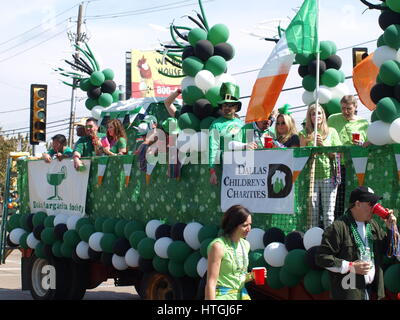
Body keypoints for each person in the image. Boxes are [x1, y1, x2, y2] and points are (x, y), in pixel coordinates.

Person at [316, 186, 397, 300]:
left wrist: (390, 228)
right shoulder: (338, 227)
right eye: (370, 204)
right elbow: (321, 258)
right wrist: (351, 266)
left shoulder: (373, 225)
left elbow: (388, 251)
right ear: (357, 204)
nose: (374, 208)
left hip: (372, 291)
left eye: (375, 204)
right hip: (349, 293)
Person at [205, 205, 265, 300]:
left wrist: (252, 276)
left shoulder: (245, 245)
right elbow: (211, 283)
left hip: (242, 296)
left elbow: (237, 277)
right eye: (245, 225)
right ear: (233, 225)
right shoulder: (218, 246)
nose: (249, 229)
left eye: (250, 224)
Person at [300, 104, 341, 228]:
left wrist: (322, 146)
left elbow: (338, 155)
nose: (316, 116)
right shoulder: (303, 133)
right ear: (309, 117)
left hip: (328, 177)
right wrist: (310, 144)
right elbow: (301, 155)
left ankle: (329, 241)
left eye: (319, 113)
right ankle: (313, 241)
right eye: (313, 113)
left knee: (328, 214)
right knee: (312, 213)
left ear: (323, 115)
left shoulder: (332, 132)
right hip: (311, 178)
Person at [209, 83, 245, 185]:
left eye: (230, 105)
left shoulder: (242, 124)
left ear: (236, 107)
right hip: (223, 170)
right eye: (224, 105)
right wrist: (212, 170)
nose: (226, 107)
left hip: (241, 169)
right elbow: (213, 148)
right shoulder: (216, 125)